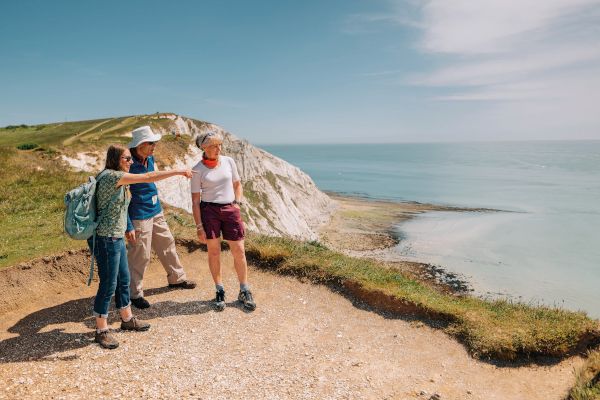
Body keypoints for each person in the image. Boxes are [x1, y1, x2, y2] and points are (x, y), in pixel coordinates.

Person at [90, 144, 193, 349]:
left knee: (124, 279)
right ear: (114, 160)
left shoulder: (119, 177)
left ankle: (127, 319)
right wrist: (180, 171)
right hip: (106, 238)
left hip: (116, 236)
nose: (130, 163)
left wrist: (127, 226)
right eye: (126, 159)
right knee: (109, 284)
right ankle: (101, 330)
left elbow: (121, 206)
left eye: (130, 159)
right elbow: (148, 177)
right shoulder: (112, 176)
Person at [125, 126, 197, 309]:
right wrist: (128, 225)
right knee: (140, 255)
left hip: (155, 209)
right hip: (139, 214)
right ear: (140, 144)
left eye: (155, 143)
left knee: (167, 243)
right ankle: (134, 293)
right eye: (151, 143)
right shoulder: (127, 163)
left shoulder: (149, 157)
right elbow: (149, 178)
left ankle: (177, 278)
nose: (154, 146)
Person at [191, 132, 256, 311]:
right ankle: (219, 289)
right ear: (203, 148)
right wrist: (199, 226)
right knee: (213, 252)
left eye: (219, 144)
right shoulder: (197, 169)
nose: (218, 148)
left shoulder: (229, 161)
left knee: (239, 250)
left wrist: (238, 203)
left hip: (230, 208)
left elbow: (237, 184)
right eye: (213, 145)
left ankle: (244, 289)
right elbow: (195, 201)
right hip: (208, 211)